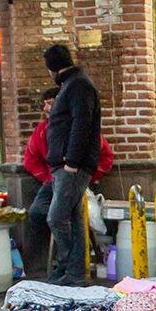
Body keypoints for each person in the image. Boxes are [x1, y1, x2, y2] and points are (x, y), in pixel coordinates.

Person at [24, 86, 114, 278]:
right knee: (38, 212)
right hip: (52, 181)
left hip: (76, 180)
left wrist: (88, 176)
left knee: (60, 217)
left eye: (51, 103)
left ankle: (67, 265)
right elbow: (30, 159)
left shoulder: (79, 127)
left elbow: (105, 156)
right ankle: (68, 256)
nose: (47, 108)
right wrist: (46, 177)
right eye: (45, 104)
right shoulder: (42, 131)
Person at [42, 44, 102, 285]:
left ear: (52, 68)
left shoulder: (77, 85)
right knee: (74, 218)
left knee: (56, 217)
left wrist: (73, 162)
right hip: (66, 164)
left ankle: (68, 266)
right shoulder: (73, 84)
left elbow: (81, 124)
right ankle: (75, 274)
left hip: (71, 166)